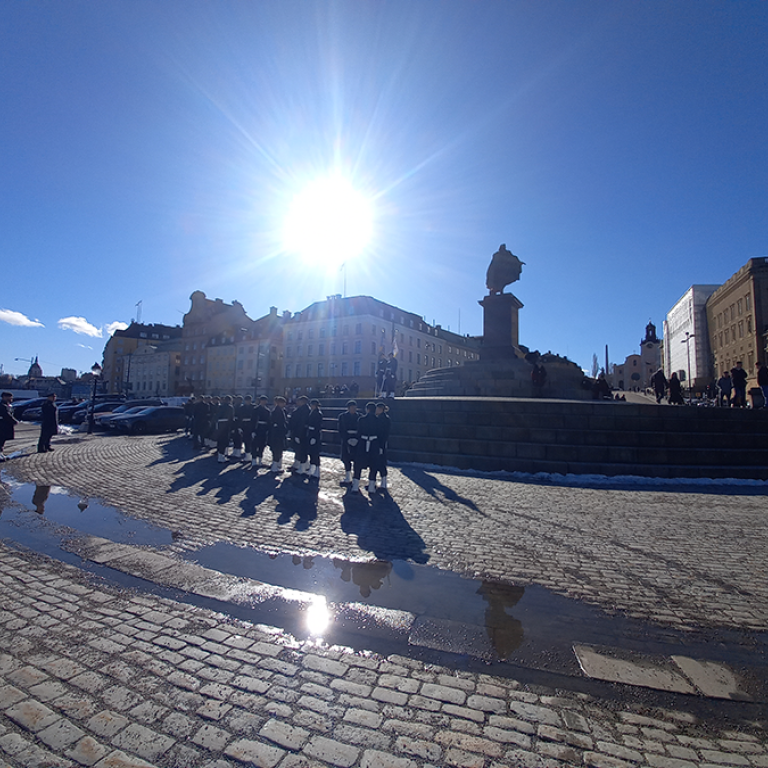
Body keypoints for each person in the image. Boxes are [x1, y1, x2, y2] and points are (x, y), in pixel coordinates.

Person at [353, 402, 381, 494]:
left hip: (363, 442)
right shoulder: (378, 420)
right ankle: (372, 487)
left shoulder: (361, 419)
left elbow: (359, 432)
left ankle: (355, 486)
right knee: (374, 465)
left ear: (367, 409)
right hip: (374, 443)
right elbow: (381, 434)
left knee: (358, 464)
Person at [338, 400, 359, 486]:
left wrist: (357, 439)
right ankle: (348, 476)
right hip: (346, 439)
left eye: (355, 407)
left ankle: (355, 477)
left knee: (356, 460)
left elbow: (361, 429)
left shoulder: (359, 417)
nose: (354, 409)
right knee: (346, 459)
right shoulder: (342, 416)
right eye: (352, 407)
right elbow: (341, 429)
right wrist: (346, 439)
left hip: (357, 440)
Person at [289, 395, 311, 475]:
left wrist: (298, 434)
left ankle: (302, 466)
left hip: (301, 433)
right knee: (298, 449)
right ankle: (298, 464)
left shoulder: (304, 411)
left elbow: (301, 423)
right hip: (298, 432)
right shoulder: (303, 409)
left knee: (301, 450)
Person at [268, 396, 288, 473]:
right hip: (278, 434)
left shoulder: (277, 411)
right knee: (277, 449)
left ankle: (275, 465)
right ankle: (275, 466)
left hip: (276, 433)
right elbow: (280, 423)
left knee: (277, 449)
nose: (284, 404)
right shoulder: (278, 411)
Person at [305, 398, 323, 480]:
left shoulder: (317, 414)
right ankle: (313, 470)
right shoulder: (312, 413)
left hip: (314, 435)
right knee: (312, 453)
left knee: (315, 454)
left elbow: (317, 427)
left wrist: (314, 437)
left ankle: (316, 471)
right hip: (311, 434)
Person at [251, 396, 271, 469]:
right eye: (263, 400)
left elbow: (269, 421)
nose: (264, 402)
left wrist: (268, 430)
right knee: (254, 445)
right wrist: (253, 430)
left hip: (264, 429)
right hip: (257, 428)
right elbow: (253, 421)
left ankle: (260, 459)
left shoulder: (267, 410)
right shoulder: (255, 409)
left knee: (262, 445)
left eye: (265, 401)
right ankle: (253, 460)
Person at [375, 401, 391, 491]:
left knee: (380, 462)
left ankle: (383, 482)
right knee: (380, 462)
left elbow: (383, 434)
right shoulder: (385, 418)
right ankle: (383, 481)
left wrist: (381, 445)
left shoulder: (383, 419)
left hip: (380, 443)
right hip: (382, 442)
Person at [215, 396, 235, 463]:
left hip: (220, 424)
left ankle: (220, 455)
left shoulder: (220, 407)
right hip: (226, 425)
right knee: (225, 441)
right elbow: (231, 418)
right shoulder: (230, 407)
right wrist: (232, 427)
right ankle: (222, 456)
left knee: (220, 440)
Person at [0, 392, 19, 461]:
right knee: (1, 440)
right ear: (4, 397)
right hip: (2, 426)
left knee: (2, 441)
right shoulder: (2, 406)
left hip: (6, 426)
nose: (11, 399)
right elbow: (6, 415)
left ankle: (1, 454)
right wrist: (14, 421)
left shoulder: (7, 405)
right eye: (10, 397)